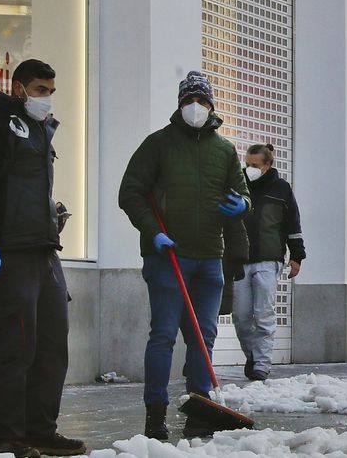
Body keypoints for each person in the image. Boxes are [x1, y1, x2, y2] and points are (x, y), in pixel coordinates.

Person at [0, 59, 85, 458]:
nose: (45, 98)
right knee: (17, 348)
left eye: (50, 91)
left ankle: (40, 430)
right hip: (9, 251)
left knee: (52, 345)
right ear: (17, 88)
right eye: (38, 90)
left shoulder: (40, 129)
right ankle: (6, 436)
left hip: (44, 250)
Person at [119, 71, 251, 440]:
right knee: (162, 335)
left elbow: (244, 196)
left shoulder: (224, 150)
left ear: (211, 105)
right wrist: (154, 231)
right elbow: (130, 193)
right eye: (189, 100)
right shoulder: (158, 145)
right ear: (180, 105)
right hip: (168, 256)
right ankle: (155, 414)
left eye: (202, 100)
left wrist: (240, 205)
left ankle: (200, 409)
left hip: (210, 258)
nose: (196, 107)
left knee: (203, 336)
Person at [231, 143, 305, 382]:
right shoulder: (238, 186)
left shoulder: (281, 189)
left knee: (263, 314)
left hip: (269, 259)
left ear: (267, 165)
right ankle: (252, 355)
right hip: (241, 260)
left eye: (254, 165)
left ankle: (262, 364)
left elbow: (293, 224)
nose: (249, 168)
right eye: (247, 164)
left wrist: (297, 256)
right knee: (241, 316)